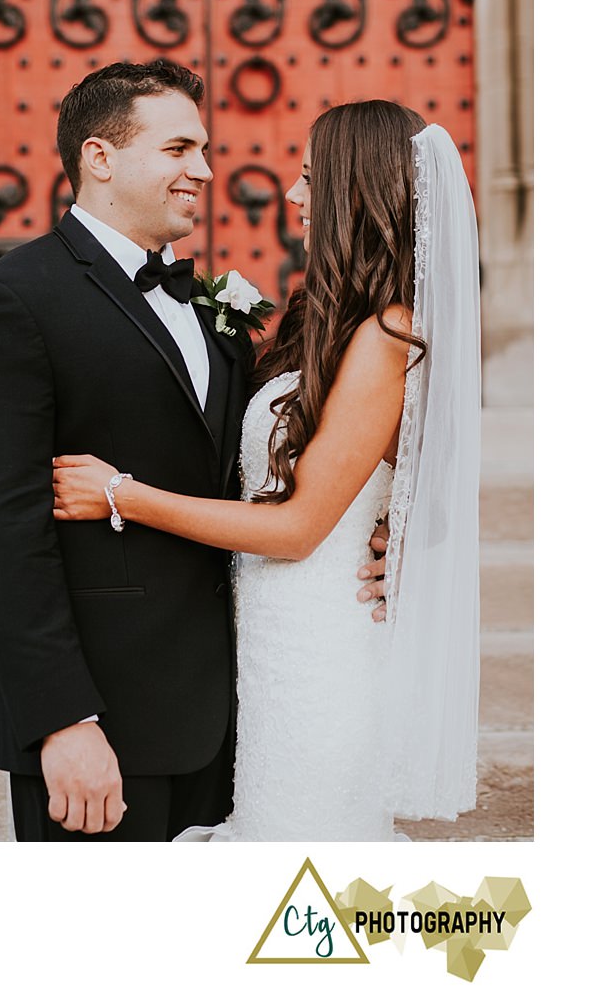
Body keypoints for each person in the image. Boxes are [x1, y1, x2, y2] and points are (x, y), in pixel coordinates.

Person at [0, 59, 379, 842]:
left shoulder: (217, 315)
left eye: (204, 150)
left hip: (237, 722)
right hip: (102, 729)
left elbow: (266, 482)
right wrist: (63, 721)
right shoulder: (6, 301)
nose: (204, 171)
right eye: (179, 150)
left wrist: (377, 533)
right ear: (100, 158)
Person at [53, 102, 480, 839]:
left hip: (323, 669)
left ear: (357, 192)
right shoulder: (328, 319)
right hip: (271, 657)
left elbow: (297, 528)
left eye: (311, 177)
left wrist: (121, 493)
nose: (291, 194)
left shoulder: (388, 333)